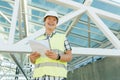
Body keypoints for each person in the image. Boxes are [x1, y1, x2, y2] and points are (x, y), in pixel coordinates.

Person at [29, 10, 72, 80]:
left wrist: (57, 57)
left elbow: (69, 56)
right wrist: (32, 58)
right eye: (49, 19)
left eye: (54, 20)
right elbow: (33, 61)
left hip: (58, 77)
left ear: (56, 23)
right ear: (44, 22)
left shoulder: (62, 38)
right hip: (39, 77)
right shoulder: (37, 40)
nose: (51, 21)